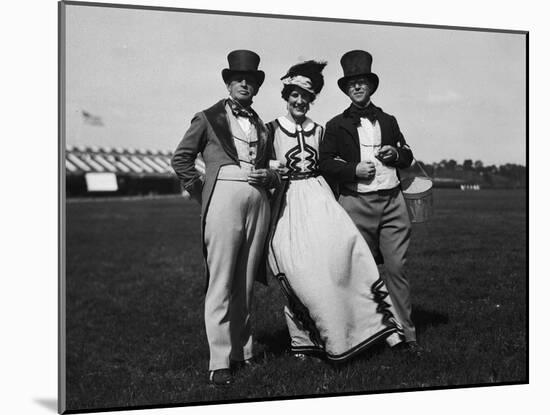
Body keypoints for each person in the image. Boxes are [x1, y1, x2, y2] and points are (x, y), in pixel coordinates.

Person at [266, 60, 404, 363]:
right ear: (286, 95)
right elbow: (260, 168)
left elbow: (329, 165)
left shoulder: (320, 130)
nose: (300, 101)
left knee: (341, 265)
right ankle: (304, 340)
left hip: (321, 202)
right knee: (297, 273)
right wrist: (271, 169)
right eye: (294, 95)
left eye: (307, 96)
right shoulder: (271, 130)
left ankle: (370, 329)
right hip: (286, 207)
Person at [171, 49, 278, 386]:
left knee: (245, 281)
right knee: (220, 281)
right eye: (238, 80)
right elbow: (182, 159)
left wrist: (268, 176)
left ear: (257, 87)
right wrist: (204, 194)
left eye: (250, 81)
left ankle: (242, 353)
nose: (244, 84)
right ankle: (219, 361)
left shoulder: (261, 123)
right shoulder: (206, 117)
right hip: (223, 197)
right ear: (229, 84)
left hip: (258, 201)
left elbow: (270, 166)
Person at [319, 50, 421, 353]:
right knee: (358, 273)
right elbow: (325, 163)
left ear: (371, 86)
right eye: (352, 84)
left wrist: (395, 154)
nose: (357, 88)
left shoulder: (388, 120)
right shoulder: (336, 124)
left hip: (393, 203)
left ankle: (405, 334)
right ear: (346, 89)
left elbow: (407, 153)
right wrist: (353, 170)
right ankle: (366, 335)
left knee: (397, 268)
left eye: (362, 82)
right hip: (355, 204)